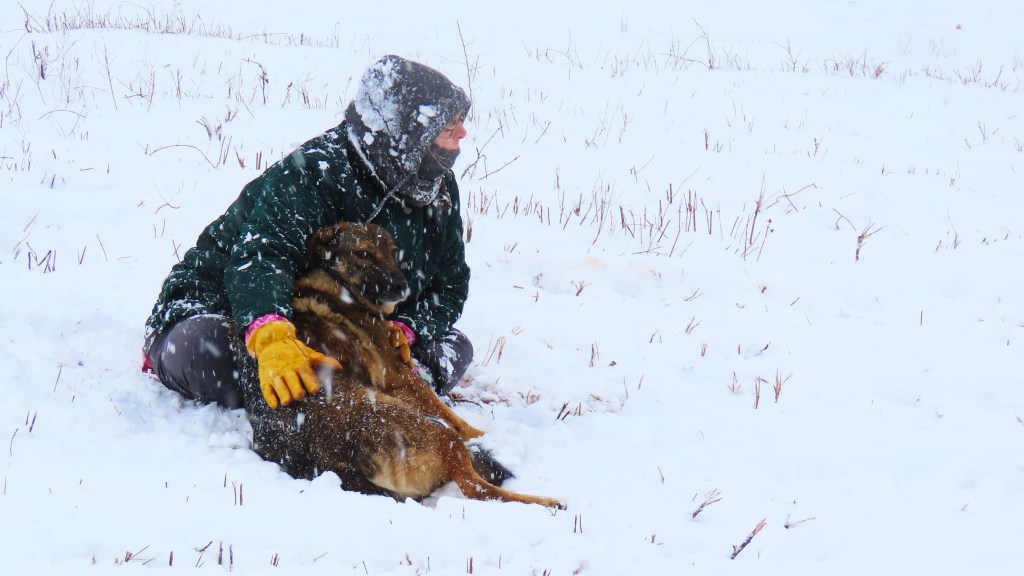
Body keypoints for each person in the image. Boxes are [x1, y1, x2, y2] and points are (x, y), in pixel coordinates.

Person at [142, 55, 474, 477]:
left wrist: (405, 330)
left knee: (454, 344)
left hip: (341, 324)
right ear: (407, 134)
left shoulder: (437, 189)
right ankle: (364, 385)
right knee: (210, 349)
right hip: (232, 310)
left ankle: (377, 378)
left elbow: (450, 281)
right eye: (449, 127)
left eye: (461, 122)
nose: (463, 133)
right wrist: (269, 333)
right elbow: (261, 256)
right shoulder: (316, 171)